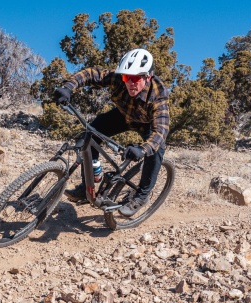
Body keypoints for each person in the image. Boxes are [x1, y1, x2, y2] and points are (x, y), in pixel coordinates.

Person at [53, 48, 170, 217]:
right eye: (127, 77)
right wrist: (68, 86)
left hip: (147, 124)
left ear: (148, 76)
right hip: (123, 115)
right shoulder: (118, 78)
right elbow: (91, 74)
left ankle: (141, 196)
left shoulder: (158, 95)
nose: (130, 82)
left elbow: (160, 131)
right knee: (90, 134)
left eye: (136, 78)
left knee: (156, 150)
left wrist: (142, 149)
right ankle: (88, 185)